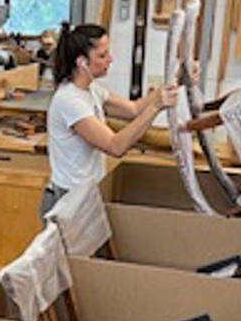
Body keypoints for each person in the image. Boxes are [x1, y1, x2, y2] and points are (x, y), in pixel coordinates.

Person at [39, 23, 179, 217]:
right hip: (68, 200)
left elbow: (134, 109)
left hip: (85, 195)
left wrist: (175, 81)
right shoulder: (70, 100)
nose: (110, 59)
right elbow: (115, 146)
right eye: (103, 55)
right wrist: (156, 106)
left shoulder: (91, 89)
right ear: (82, 62)